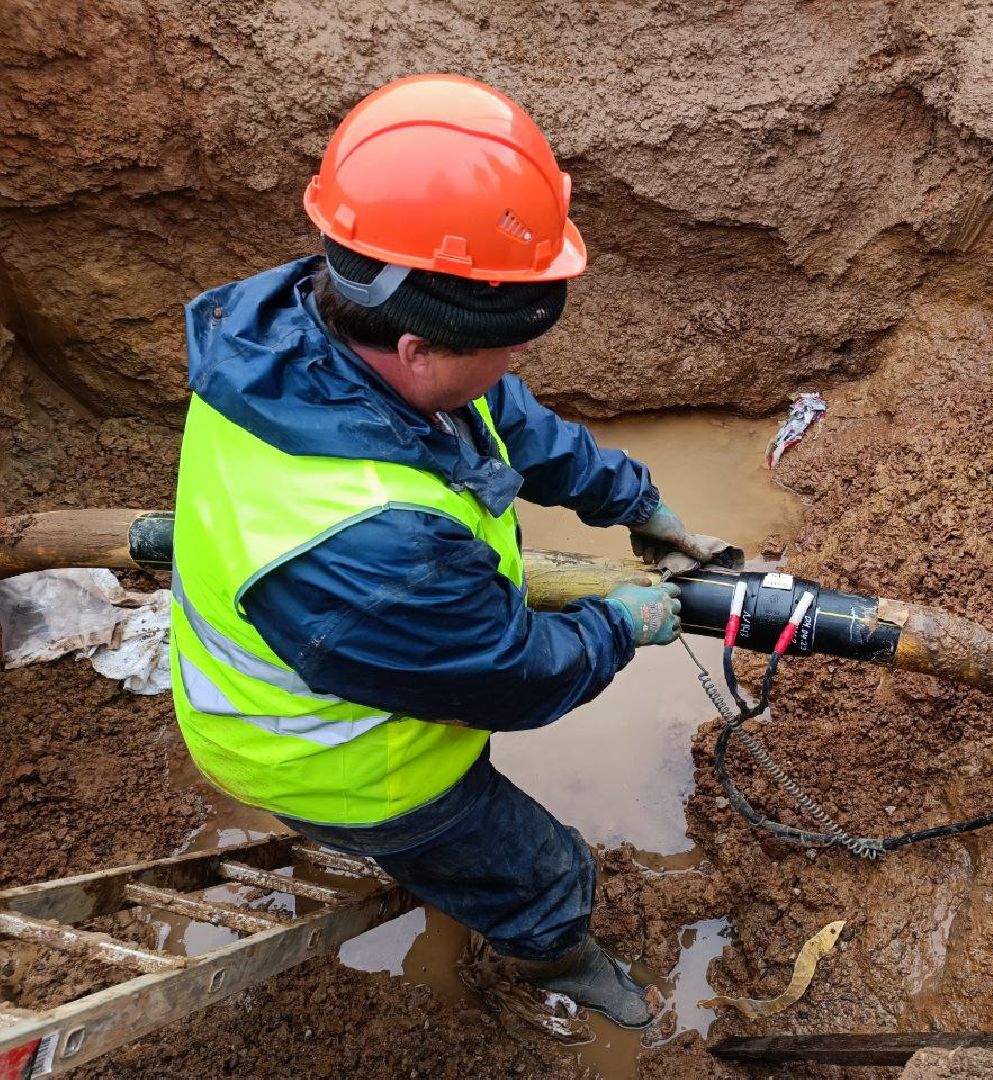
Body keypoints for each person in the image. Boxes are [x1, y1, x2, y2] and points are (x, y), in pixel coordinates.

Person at [168, 74, 738, 1029]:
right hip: (333, 761)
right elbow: (508, 680)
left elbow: (501, 419)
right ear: (420, 346)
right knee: (539, 868)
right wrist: (614, 627)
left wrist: (635, 501)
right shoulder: (375, 549)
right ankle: (553, 957)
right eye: (503, 345)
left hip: (330, 670)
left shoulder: (306, 339)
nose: (513, 365)